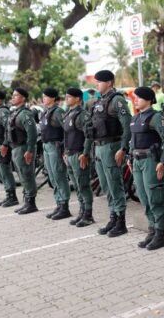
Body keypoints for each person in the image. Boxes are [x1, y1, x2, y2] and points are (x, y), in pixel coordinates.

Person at [88, 70, 132, 237]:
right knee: (106, 185)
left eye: (99, 81)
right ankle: (113, 217)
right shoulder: (100, 101)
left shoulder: (117, 100)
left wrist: (123, 148)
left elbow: (127, 126)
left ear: (109, 83)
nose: (96, 84)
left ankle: (121, 222)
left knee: (115, 183)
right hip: (99, 147)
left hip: (112, 147)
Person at [129, 86, 164, 250]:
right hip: (137, 161)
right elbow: (133, 139)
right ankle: (152, 230)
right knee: (144, 198)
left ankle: (160, 235)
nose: (136, 100)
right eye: (135, 98)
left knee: (154, 198)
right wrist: (130, 158)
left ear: (148, 99)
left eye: (138, 97)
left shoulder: (156, 117)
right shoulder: (136, 117)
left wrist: (163, 161)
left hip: (151, 161)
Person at [1, 87, 38, 215]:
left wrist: (29, 150)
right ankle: (26, 201)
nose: (13, 97)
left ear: (23, 98)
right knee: (22, 175)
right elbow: (8, 131)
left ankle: (31, 203)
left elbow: (32, 134)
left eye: (16, 95)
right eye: (13, 95)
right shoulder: (14, 112)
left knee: (27, 175)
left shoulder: (25, 114)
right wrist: (5, 144)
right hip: (15, 147)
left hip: (23, 147)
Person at [64, 88, 95, 227]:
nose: (66, 99)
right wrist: (65, 151)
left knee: (83, 185)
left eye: (69, 97)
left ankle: (88, 215)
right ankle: (82, 212)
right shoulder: (69, 114)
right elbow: (66, 135)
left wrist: (85, 153)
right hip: (70, 154)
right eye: (66, 96)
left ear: (77, 99)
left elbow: (88, 135)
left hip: (79, 154)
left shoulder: (82, 115)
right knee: (76, 185)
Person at [40, 88, 72, 220]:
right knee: (52, 177)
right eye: (43, 96)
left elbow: (67, 130)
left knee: (59, 175)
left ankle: (64, 206)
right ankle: (58, 203)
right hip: (46, 145)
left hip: (55, 146)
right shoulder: (45, 111)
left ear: (53, 98)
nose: (44, 99)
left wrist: (65, 148)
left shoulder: (58, 112)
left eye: (46, 97)